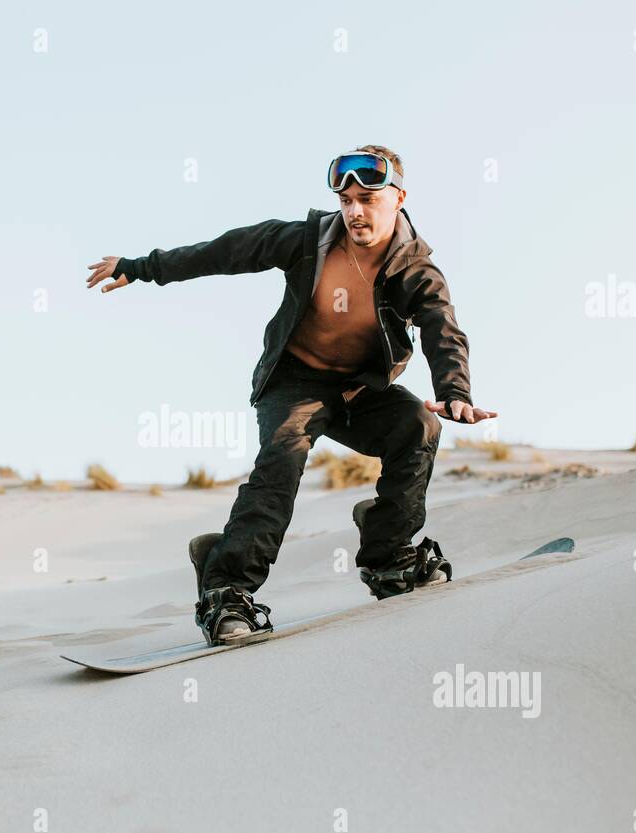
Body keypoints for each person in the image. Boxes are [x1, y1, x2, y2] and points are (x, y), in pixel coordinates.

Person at [86, 146, 497, 645]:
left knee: (418, 426)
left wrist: (454, 390)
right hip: (295, 384)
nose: (354, 212)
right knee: (282, 459)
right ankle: (226, 586)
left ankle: (390, 556)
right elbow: (226, 251)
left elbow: (442, 328)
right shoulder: (307, 240)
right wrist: (142, 266)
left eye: (367, 199)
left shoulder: (416, 270)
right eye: (346, 200)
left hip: (359, 391)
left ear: (399, 198)